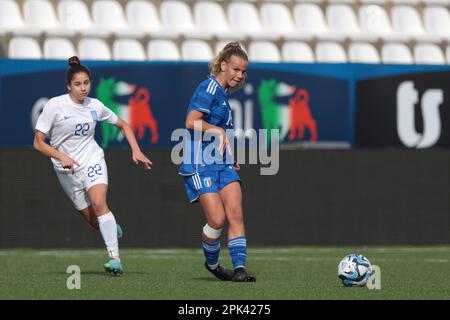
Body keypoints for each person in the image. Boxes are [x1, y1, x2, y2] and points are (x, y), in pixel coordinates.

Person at [33, 56, 152, 275]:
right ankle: (108, 225)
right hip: (66, 170)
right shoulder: (55, 106)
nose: (83, 88)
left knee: (99, 203)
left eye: (86, 83)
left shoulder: (95, 106)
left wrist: (136, 150)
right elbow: (38, 143)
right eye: (77, 84)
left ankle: (115, 259)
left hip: (91, 159)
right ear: (69, 86)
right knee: (95, 221)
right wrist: (61, 156)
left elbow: (123, 124)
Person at [179, 42, 256, 282]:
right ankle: (213, 265)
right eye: (236, 69)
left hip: (223, 163)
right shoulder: (209, 87)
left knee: (236, 214)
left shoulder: (223, 96)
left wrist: (231, 158)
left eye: (243, 71)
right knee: (217, 219)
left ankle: (240, 269)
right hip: (199, 163)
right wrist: (218, 131)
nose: (239, 75)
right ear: (223, 66)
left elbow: (223, 134)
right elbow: (191, 121)